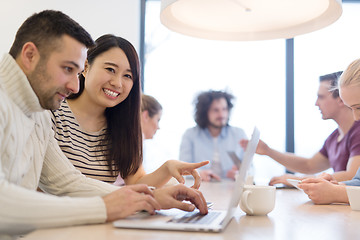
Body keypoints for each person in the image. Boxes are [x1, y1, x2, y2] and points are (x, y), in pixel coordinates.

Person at [0, 10, 207, 238]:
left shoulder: (38, 110)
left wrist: (150, 197)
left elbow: (65, 181)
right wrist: (105, 208)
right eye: (68, 69)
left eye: (76, 72)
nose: (74, 86)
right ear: (29, 55)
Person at [51, 34, 207, 188]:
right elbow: (51, 184)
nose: (117, 83)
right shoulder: (53, 113)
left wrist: (168, 168)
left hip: (106, 212)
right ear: (85, 67)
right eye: (110, 69)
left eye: (127, 75)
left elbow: (136, 182)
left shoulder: (123, 127)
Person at [241, 71, 360, 186]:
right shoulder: (334, 137)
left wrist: (299, 181)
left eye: (321, 97)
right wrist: (268, 151)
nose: (316, 103)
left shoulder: (357, 131)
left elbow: (353, 176)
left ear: (341, 99)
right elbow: (309, 165)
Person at [299, 59, 360, 204]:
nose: (356, 118)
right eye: (351, 108)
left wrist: (337, 193)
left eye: (359, 108)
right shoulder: (334, 136)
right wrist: (336, 185)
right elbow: (358, 181)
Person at [179, 90, 247, 181]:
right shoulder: (190, 135)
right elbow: (182, 168)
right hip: (201, 188)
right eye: (216, 110)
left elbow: (250, 168)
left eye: (224, 109)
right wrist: (198, 173)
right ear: (205, 112)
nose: (221, 114)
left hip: (231, 189)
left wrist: (240, 174)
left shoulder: (239, 134)